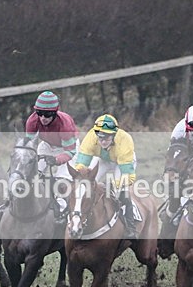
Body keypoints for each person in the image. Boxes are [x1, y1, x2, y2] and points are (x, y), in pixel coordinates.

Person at [73, 114, 138, 239]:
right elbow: (81, 165)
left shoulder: (125, 141)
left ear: (114, 135)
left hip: (122, 162)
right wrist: (81, 175)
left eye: (107, 137)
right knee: (84, 185)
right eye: (100, 137)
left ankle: (131, 227)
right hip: (103, 159)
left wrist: (113, 184)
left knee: (120, 191)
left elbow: (129, 177)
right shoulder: (91, 137)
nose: (102, 141)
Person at [24, 91, 79, 223]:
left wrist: (56, 160)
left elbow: (70, 152)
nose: (43, 118)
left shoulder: (65, 124)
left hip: (68, 148)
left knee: (62, 180)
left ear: (55, 113)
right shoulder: (32, 120)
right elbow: (29, 145)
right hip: (47, 145)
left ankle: (62, 212)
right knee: (31, 173)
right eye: (39, 113)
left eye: (48, 114)